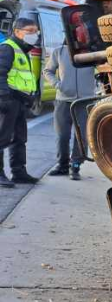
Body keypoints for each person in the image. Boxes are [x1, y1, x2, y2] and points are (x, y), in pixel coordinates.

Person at [43, 40, 97, 180]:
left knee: (81, 137)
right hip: (63, 101)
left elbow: (102, 69)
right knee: (62, 136)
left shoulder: (91, 52)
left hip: (84, 101)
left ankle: (76, 166)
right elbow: (48, 71)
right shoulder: (59, 51)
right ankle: (62, 166)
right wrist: (58, 84)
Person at [0, 19, 41, 187]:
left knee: (19, 138)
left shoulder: (23, 49)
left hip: (20, 101)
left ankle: (19, 172)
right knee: (2, 138)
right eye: (30, 31)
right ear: (17, 32)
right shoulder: (8, 48)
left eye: (36, 32)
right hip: (8, 100)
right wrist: (3, 98)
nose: (34, 35)